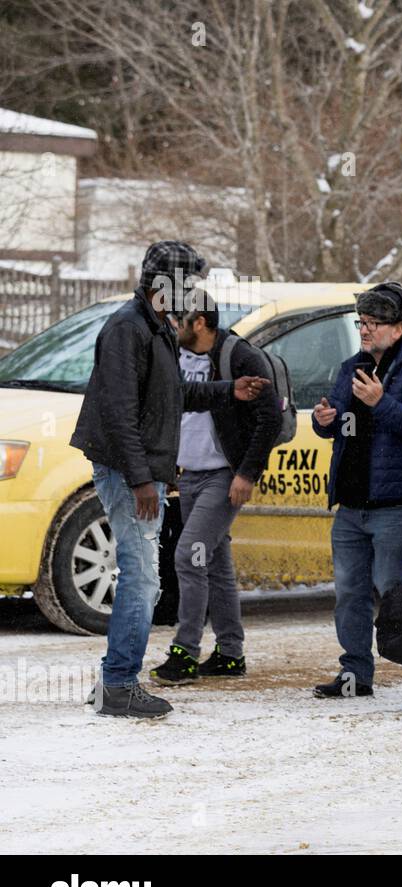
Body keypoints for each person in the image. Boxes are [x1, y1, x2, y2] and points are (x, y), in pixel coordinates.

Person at [70, 241, 269, 717]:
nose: (193, 293)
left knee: (145, 580)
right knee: (141, 582)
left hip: (145, 472)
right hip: (129, 472)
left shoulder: (155, 326)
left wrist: (228, 390)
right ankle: (119, 683)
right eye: (188, 284)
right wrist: (141, 479)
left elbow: (172, 393)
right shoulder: (127, 328)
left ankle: (113, 681)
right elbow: (118, 412)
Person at [310, 282, 402, 698]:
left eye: (373, 323)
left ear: (399, 328)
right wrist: (324, 420)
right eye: (361, 322)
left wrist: (380, 402)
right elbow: (332, 425)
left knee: (396, 593)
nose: (364, 330)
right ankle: (355, 673)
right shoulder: (351, 366)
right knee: (349, 594)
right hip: (350, 503)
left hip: (398, 505)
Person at [149, 289, 282, 685]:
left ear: (200, 323)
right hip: (190, 475)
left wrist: (247, 473)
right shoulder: (175, 355)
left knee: (190, 557)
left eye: (179, 320)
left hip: (223, 476)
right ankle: (229, 653)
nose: (173, 326)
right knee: (215, 563)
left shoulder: (239, 356)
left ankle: (185, 653)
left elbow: (269, 419)